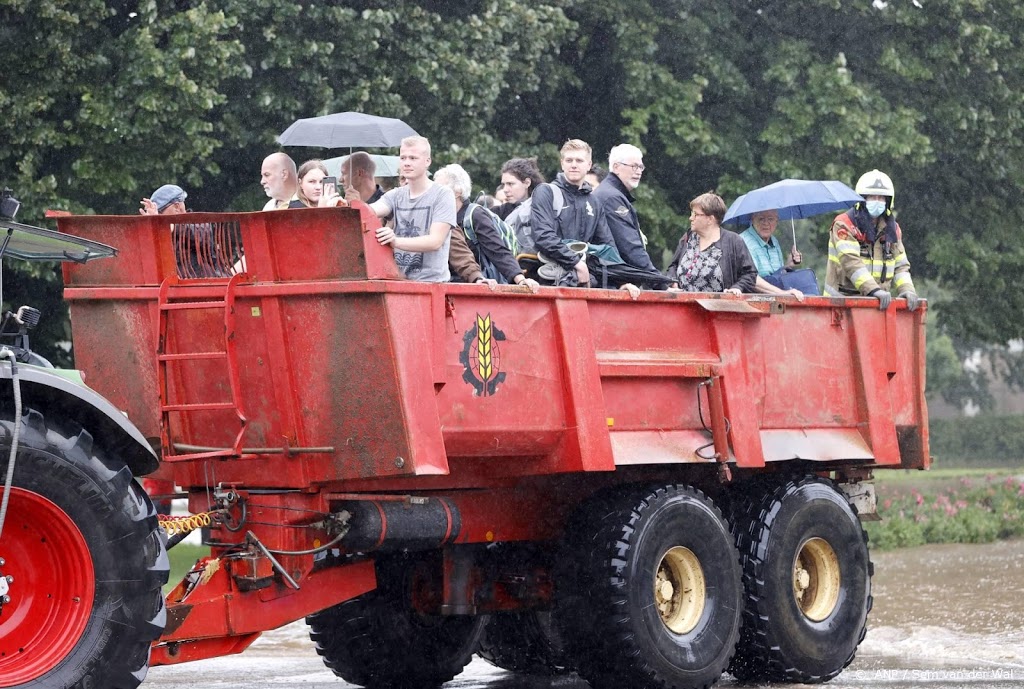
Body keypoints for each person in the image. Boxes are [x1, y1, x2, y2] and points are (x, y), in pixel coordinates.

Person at [434, 164, 540, 292]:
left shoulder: (475, 215)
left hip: (477, 288)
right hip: (446, 285)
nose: (434, 193)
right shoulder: (436, 217)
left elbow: (497, 250)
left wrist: (520, 279)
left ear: (458, 192)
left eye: (439, 188)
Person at [824, 169, 919, 310]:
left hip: (877, 306)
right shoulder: (844, 224)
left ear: (888, 202)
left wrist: (907, 290)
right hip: (840, 306)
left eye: (881, 198)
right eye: (872, 197)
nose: (877, 201)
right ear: (862, 199)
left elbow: (900, 266)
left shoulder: (892, 229)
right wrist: (873, 290)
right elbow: (851, 262)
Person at [368, 136, 456, 282]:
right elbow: (369, 211)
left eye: (413, 158)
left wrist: (395, 241)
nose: (407, 163)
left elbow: (435, 241)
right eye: (403, 158)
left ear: (427, 161)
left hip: (431, 286)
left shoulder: (443, 195)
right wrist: (345, 206)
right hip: (399, 283)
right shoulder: (395, 195)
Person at [530, 139, 615, 287]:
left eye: (579, 160)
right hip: (548, 283)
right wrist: (576, 263)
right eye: (569, 160)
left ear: (589, 165)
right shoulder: (546, 192)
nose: (574, 165)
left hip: (585, 282)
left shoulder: (594, 202)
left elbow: (607, 248)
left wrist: (622, 282)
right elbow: (543, 236)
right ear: (562, 163)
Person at [668, 193, 757, 294]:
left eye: (695, 214)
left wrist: (737, 288)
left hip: (718, 307)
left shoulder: (734, 241)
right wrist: (673, 281)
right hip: (684, 306)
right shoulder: (687, 238)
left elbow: (750, 274)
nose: (691, 218)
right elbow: (673, 266)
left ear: (710, 219)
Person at [591, 144, 658, 272]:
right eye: (634, 166)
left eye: (640, 167)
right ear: (616, 167)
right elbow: (629, 248)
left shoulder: (609, 193)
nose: (638, 171)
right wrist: (660, 283)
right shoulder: (612, 198)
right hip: (610, 281)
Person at [739, 209, 806, 299]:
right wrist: (783, 293)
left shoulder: (774, 241)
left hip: (775, 298)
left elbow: (777, 277)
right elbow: (751, 279)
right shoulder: (743, 241)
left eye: (770, 219)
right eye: (761, 219)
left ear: (776, 221)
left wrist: (788, 266)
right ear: (753, 219)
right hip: (753, 300)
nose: (766, 223)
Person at [495, 157, 545, 256]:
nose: (505, 189)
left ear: (527, 183)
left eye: (510, 184)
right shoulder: (499, 213)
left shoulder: (543, 208)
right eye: (504, 184)